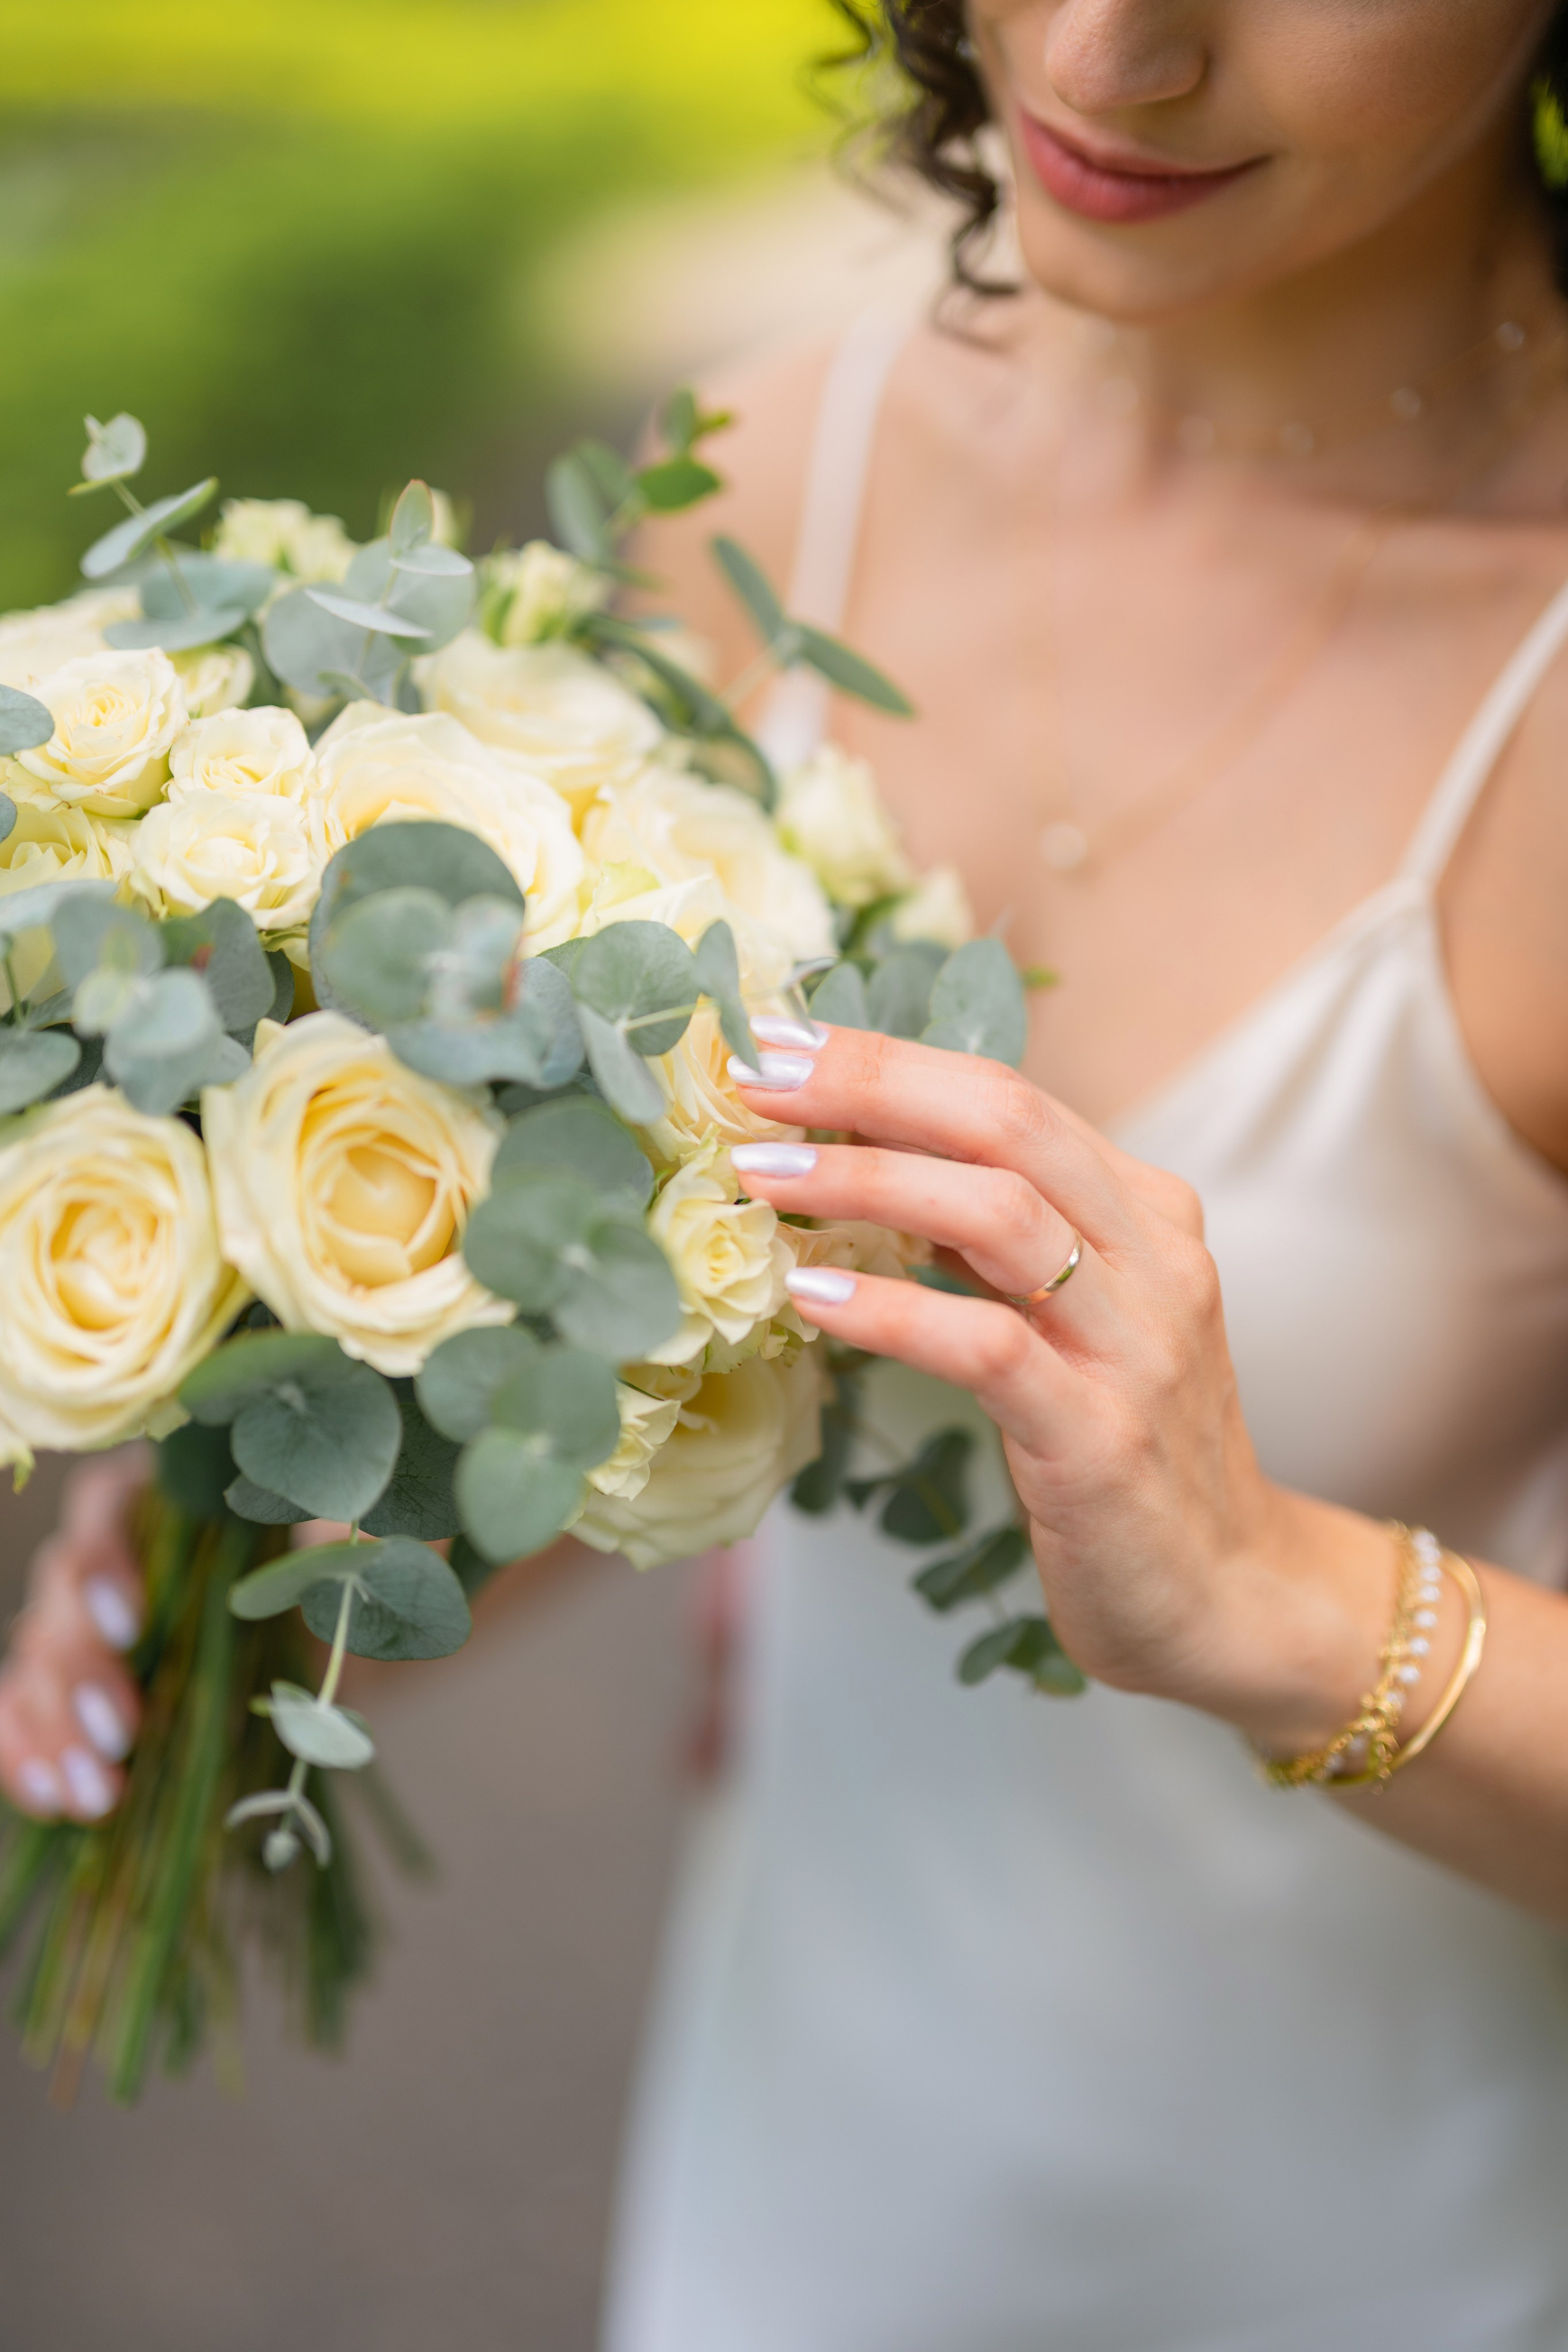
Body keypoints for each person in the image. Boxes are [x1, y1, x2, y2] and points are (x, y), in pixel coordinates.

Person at [9, 1, 1568, 2342]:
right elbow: (638, 1349)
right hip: (814, 2186)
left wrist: (1272, 1598)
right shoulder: (771, 479)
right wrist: (310, 1507)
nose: (1112, 54)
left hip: (1400, 2228)